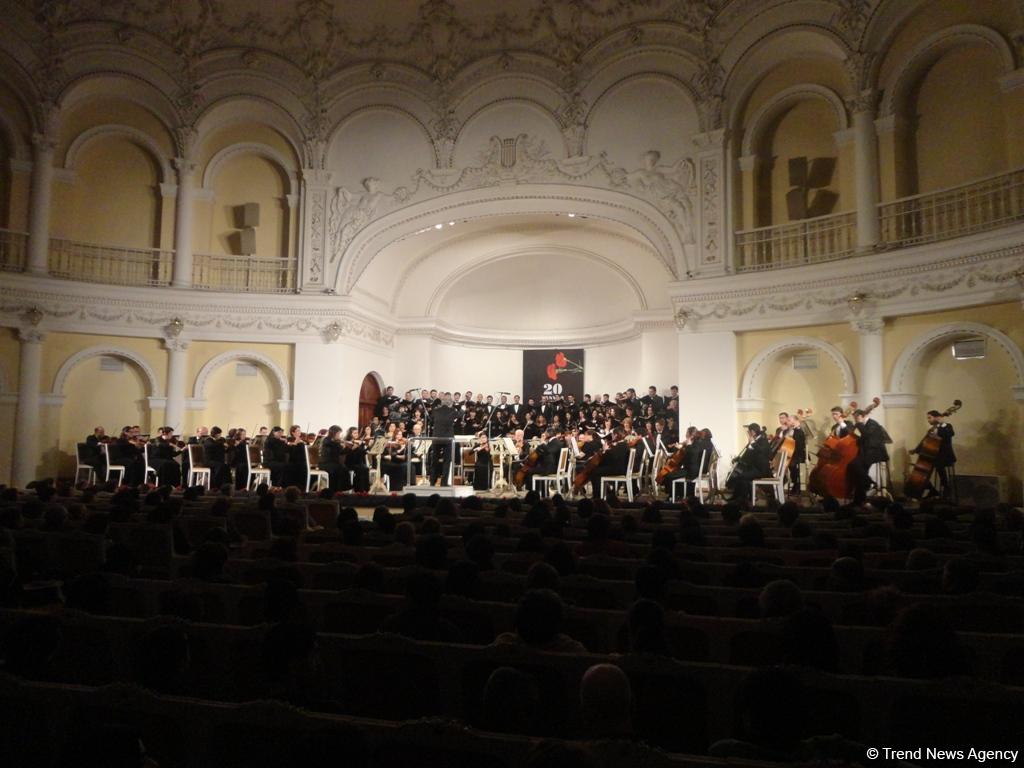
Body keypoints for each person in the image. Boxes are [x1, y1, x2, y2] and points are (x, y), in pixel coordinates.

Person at [849, 408, 891, 504]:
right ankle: (859, 500)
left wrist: (858, 424)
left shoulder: (872, 424)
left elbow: (867, 434)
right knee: (859, 474)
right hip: (866, 452)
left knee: (854, 465)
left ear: (861, 416)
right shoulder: (865, 424)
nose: (855, 420)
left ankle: (870, 483)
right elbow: (863, 439)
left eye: (856, 418)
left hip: (875, 452)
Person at [912, 410, 956, 499]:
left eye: (929, 418)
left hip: (945, 455)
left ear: (936, 417)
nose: (928, 420)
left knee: (939, 465)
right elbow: (925, 441)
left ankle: (946, 487)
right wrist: (916, 450)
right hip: (934, 455)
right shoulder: (931, 430)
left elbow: (950, 434)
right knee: (921, 469)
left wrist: (942, 424)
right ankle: (931, 489)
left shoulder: (947, 426)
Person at [726, 423, 771, 504]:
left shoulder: (763, 440)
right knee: (740, 475)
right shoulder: (756, 440)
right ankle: (740, 497)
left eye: (749, 432)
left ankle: (742, 499)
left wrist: (752, 443)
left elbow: (762, 452)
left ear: (753, 432)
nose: (748, 434)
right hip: (754, 467)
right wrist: (738, 459)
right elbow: (748, 455)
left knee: (741, 476)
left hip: (761, 470)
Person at [429, 394, 456, 486]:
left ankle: (432, 481)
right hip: (448, 439)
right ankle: (444, 483)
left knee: (434, 461)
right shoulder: (452, 410)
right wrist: (463, 409)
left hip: (436, 438)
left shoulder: (435, 411)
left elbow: (431, 420)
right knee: (446, 461)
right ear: (450, 402)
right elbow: (460, 415)